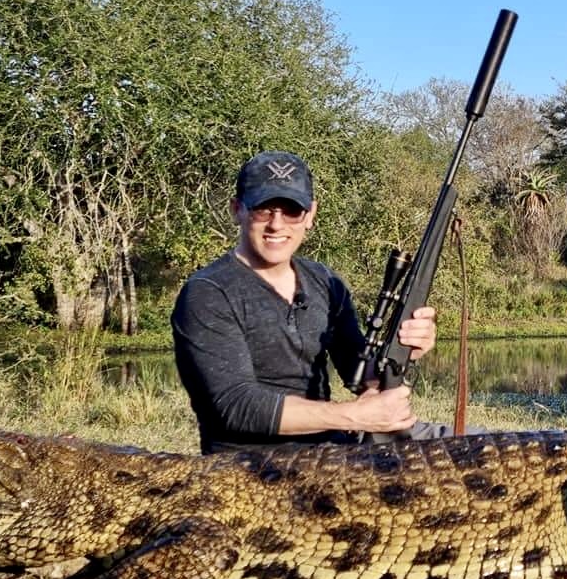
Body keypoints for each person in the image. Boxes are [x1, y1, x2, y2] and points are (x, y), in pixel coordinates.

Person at [173, 150, 439, 451]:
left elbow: (359, 371)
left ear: (310, 214)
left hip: (333, 446)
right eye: (263, 209)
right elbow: (235, 406)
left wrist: (404, 350)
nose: (277, 224)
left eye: (291, 211)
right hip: (250, 465)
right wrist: (353, 416)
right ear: (237, 210)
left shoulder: (325, 281)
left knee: (490, 445)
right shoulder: (207, 292)